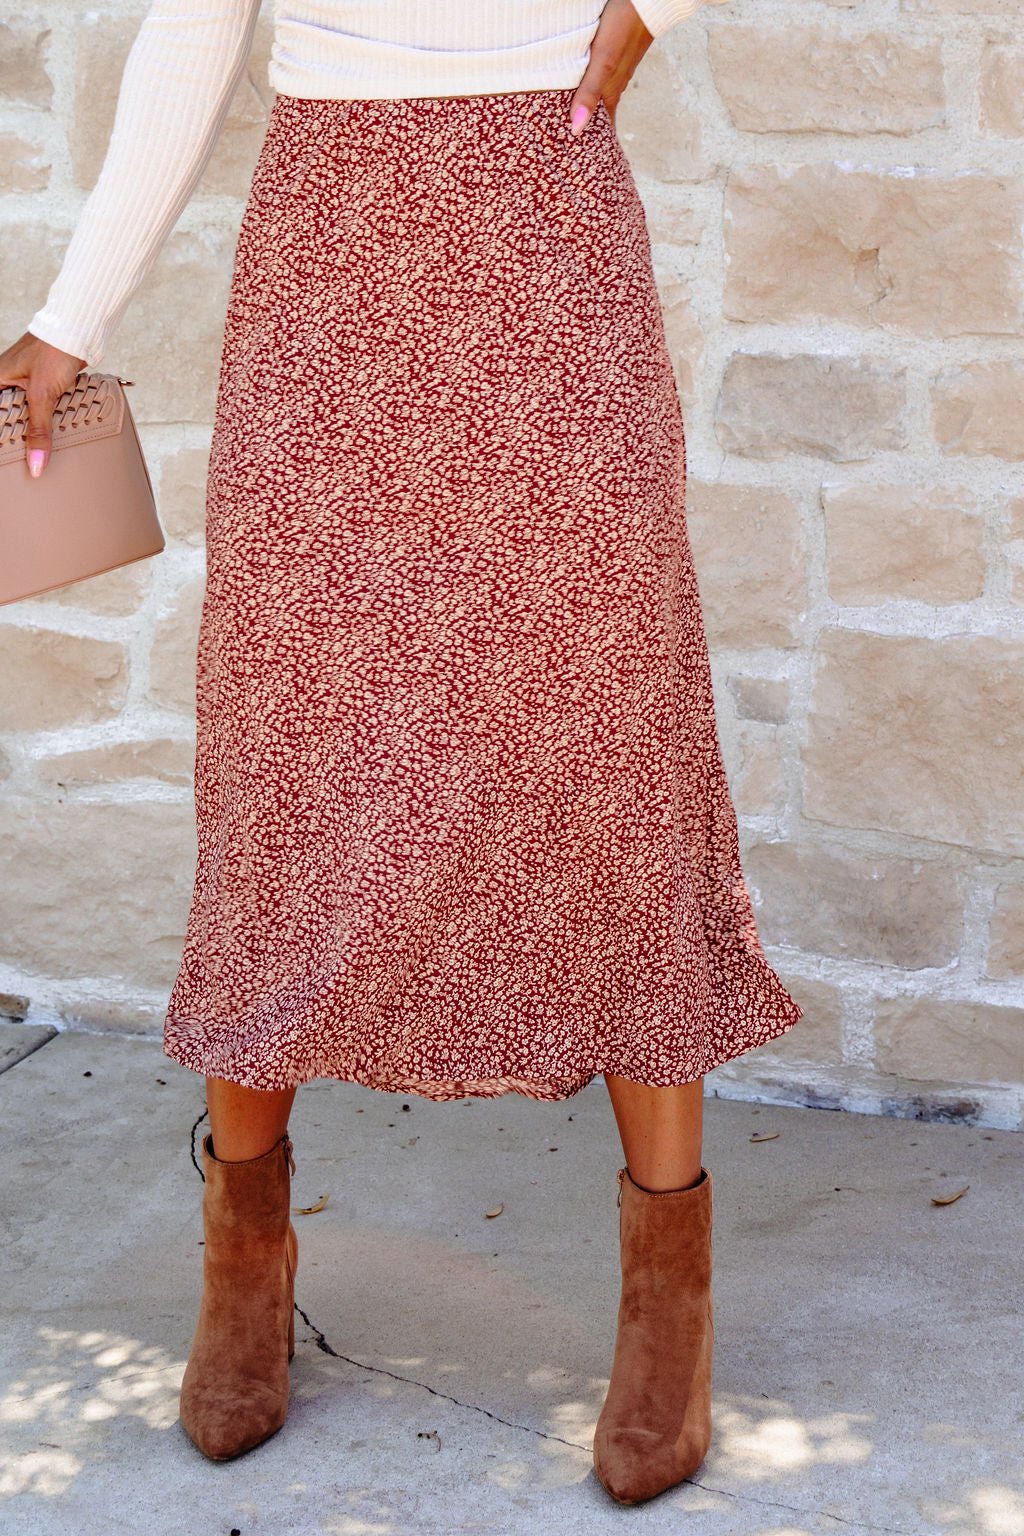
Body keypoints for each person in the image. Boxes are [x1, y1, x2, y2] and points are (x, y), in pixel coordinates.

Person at [0, 0, 804, 1505]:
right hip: (330, 232)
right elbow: (191, 37)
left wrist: (645, 15)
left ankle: (667, 1295)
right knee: (292, 737)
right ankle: (244, 1260)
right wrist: (72, 314)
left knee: (604, 724)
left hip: (545, 205)